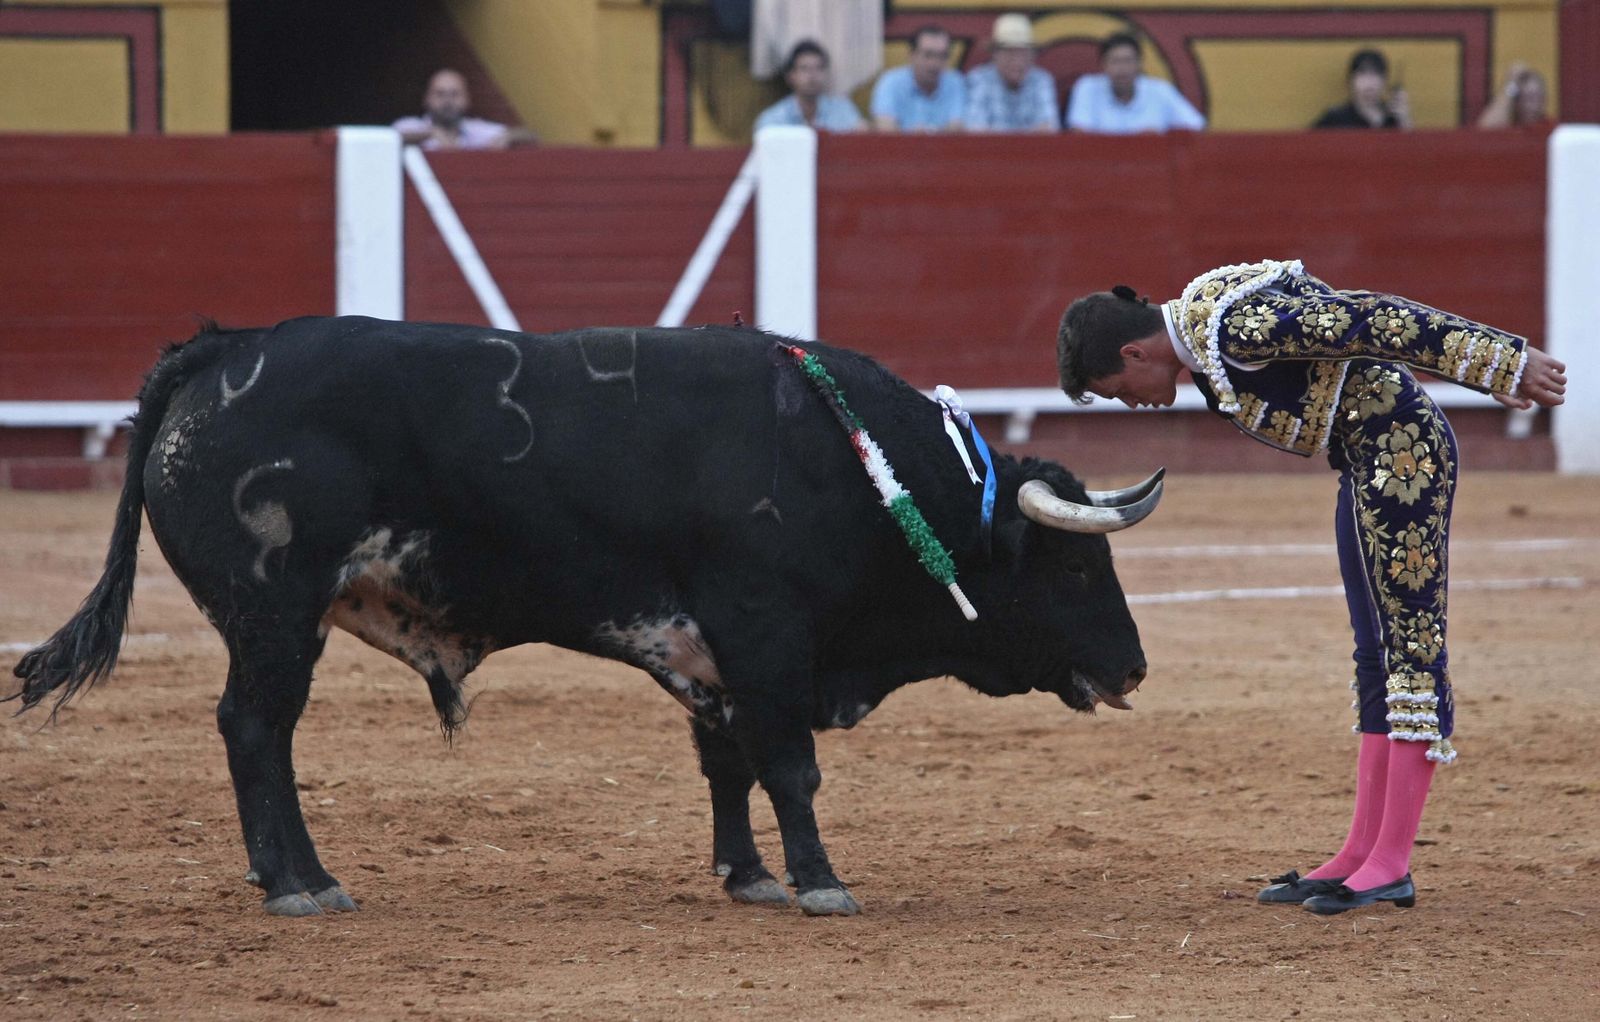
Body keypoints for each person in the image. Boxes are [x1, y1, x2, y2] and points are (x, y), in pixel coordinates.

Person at [1055, 261, 1567, 915]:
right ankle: (1359, 853)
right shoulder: (1208, 321)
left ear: (1134, 351)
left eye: (1118, 387)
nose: (1129, 401)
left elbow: (1379, 318)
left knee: (1409, 647)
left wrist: (1501, 362)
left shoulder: (1237, 326)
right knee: (1372, 653)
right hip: (1364, 459)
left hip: (1401, 453)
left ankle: (1391, 863)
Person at [1064, 33, 1205, 134]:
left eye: (1128, 61)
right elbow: (1079, 136)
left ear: (1139, 64)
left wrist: (1162, 140)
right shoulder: (1087, 88)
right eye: (1115, 62)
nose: (1122, 69)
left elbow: (1197, 127)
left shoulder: (1160, 91)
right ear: (1103, 65)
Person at [392, 69, 533, 151]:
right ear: (427, 99)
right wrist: (429, 134)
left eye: (455, 94)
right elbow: (389, 139)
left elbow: (530, 135)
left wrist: (508, 137)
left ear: (467, 100)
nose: (448, 101)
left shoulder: (474, 129)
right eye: (440, 94)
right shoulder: (411, 125)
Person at [963, 13, 1059, 133]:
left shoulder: (1041, 80)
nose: (1017, 61)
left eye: (1023, 53)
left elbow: (1049, 129)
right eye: (1010, 53)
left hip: (1034, 152)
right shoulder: (979, 79)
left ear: (1032, 56)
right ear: (995, 55)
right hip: (989, 152)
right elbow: (975, 131)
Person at [754, 40, 865, 133]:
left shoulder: (843, 110)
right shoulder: (772, 120)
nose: (812, 76)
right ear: (791, 76)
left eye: (819, 68)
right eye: (805, 69)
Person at [870, 25, 965, 132]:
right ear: (912, 55)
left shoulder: (955, 82)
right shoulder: (890, 82)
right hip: (900, 148)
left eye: (942, 56)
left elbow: (956, 129)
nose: (935, 63)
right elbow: (885, 129)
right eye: (928, 55)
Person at [1313, 49, 1411, 129]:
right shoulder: (1335, 118)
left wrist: (1405, 121)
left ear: (1384, 80)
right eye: (1363, 73)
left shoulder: (1394, 117)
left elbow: (1412, 151)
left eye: (1375, 74)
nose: (1370, 82)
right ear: (1350, 80)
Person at [1476, 62, 1551, 128]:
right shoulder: (1508, 125)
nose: (1531, 103)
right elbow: (1485, 129)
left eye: (1536, 96)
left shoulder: (1551, 128)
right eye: (1526, 97)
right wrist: (1511, 83)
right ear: (1516, 101)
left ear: (1544, 99)